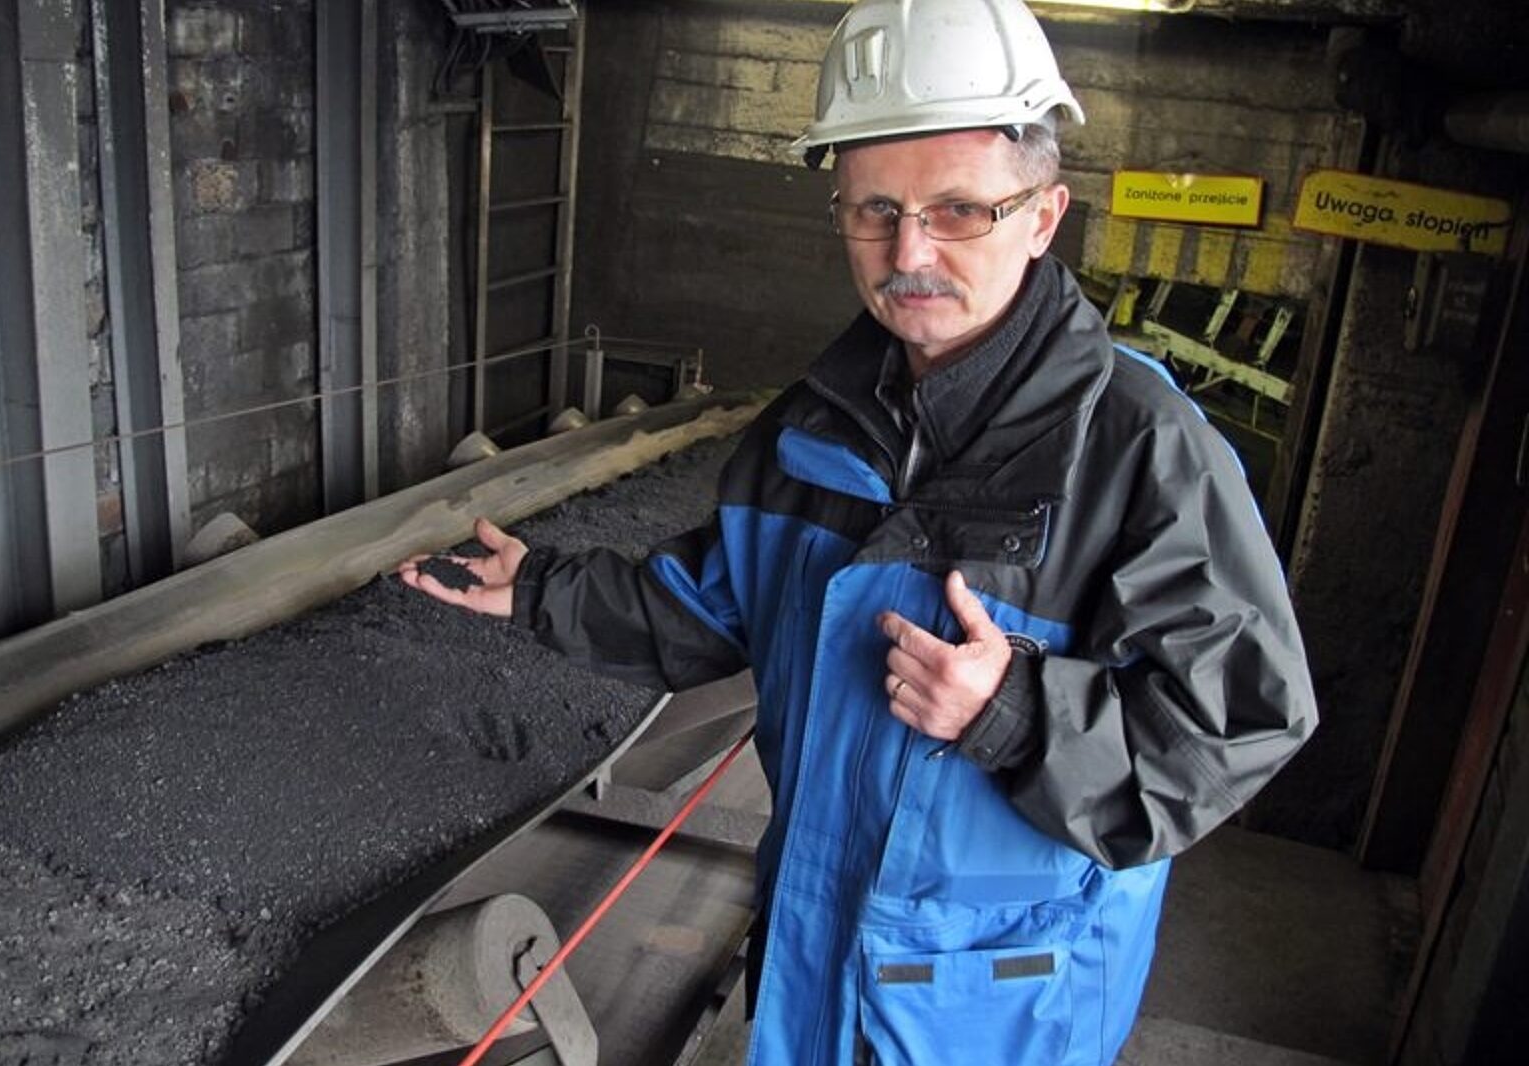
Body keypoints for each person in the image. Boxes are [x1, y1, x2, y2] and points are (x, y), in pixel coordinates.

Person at [401, 1, 1318, 1062]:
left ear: (1042, 215)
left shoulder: (1140, 449)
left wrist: (1014, 713)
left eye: (959, 210)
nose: (908, 250)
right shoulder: (811, 427)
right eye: (874, 208)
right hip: (814, 955)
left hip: (992, 1010)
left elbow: (1239, 723)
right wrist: (540, 587)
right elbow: (718, 604)